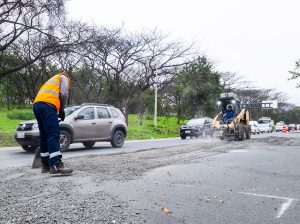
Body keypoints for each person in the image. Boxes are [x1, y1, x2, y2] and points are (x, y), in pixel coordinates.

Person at [33, 71, 73, 174]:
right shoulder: (64, 77)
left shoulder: (53, 79)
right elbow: (63, 94)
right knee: (53, 134)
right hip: (48, 105)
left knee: (44, 136)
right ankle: (56, 164)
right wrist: (62, 110)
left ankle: (45, 165)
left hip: (37, 105)